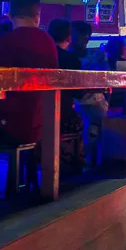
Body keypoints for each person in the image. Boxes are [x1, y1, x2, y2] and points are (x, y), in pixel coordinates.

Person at [0, 0, 59, 145]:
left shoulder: (6, 40)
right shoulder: (48, 42)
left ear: (9, 15)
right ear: (37, 15)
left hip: (8, 121)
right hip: (41, 121)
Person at [48, 18, 84, 173]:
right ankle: (73, 166)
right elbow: (79, 93)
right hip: (63, 116)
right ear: (69, 38)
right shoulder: (71, 60)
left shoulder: (42, 56)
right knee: (80, 121)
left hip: (35, 115)